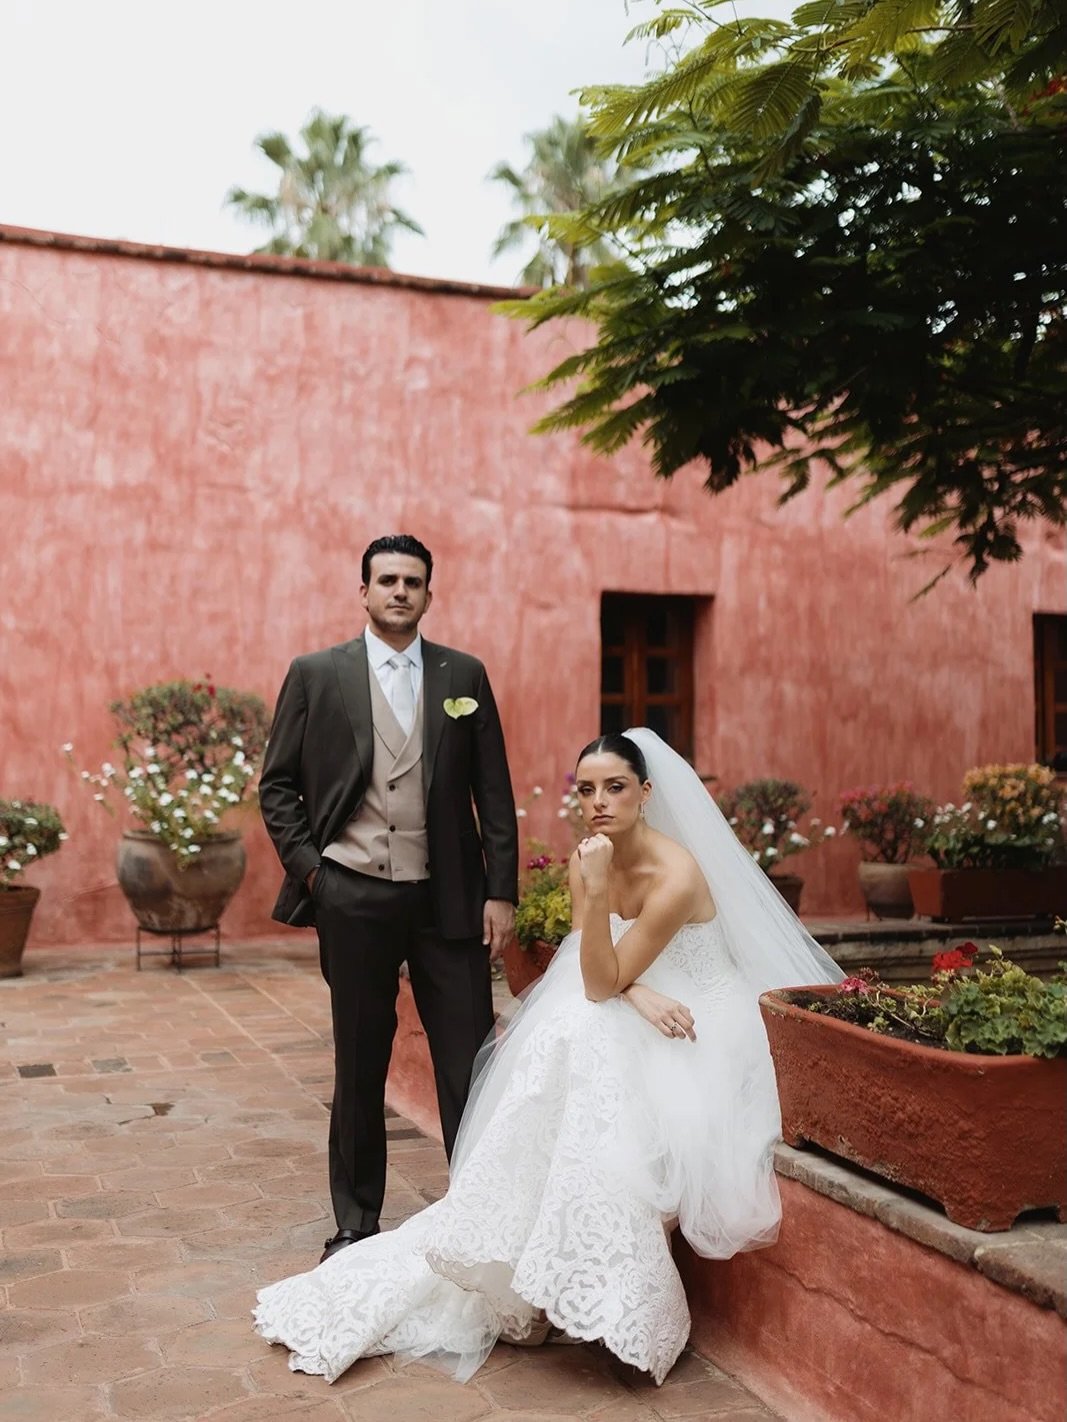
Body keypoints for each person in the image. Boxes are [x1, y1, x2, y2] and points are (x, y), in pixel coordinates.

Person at [254, 729, 842, 1385]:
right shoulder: (588, 859)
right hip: (642, 993)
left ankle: (596, 1283)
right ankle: (528, 1271)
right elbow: (601, 977)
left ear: (645, 794)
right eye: (585, 790)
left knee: (584, 1029)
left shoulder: (675, 874)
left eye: (614, 787)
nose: (597, 802)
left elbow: (596, 979)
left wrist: (622, 973)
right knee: (576, 1031)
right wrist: (636, 988)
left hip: (707, 1014)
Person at [258, 533, 518, 1264]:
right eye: (386, 580)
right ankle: (355, 1222)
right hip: (354, 895)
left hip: (448, 899)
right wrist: (314, 872)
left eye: (412, 581)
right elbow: (276, 786)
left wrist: (500, 890)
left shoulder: (462, 673)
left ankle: (479, 1210)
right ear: (363, 591)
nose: (399, 591)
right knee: (360, 1059)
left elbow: (491, 789)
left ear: (428, 594)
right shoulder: (317, 674)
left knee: (468, 1059)